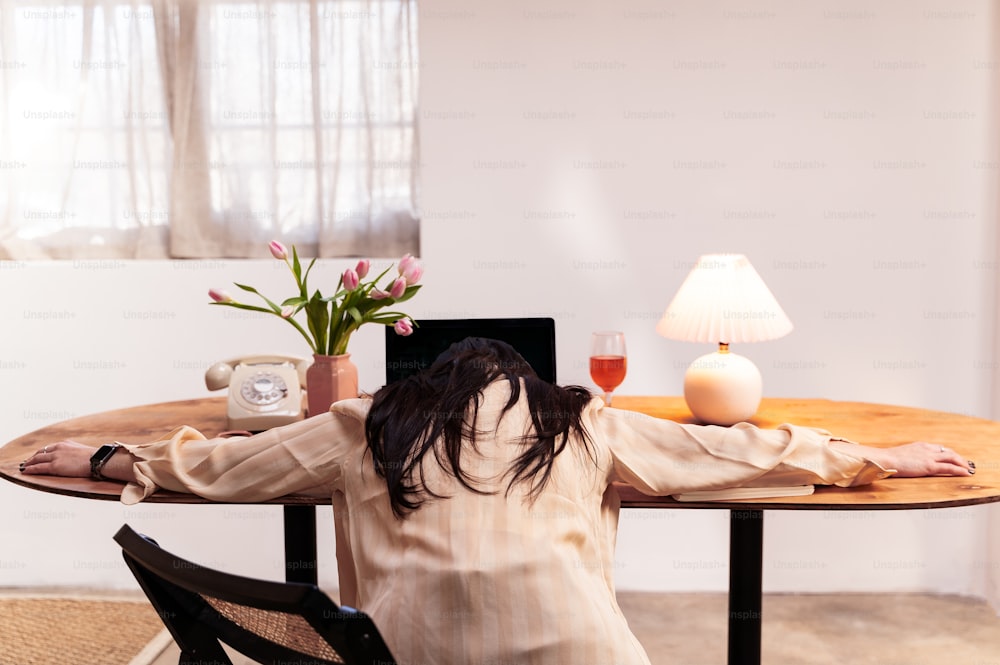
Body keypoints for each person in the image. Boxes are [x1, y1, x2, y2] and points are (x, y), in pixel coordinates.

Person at [20, 338, 974, 665]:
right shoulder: (584, 419)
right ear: (527, 384)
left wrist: (107, 455)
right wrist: (870, 456)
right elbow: (726, 451)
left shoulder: (370, 422)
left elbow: (225, 466)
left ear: (429, 385)